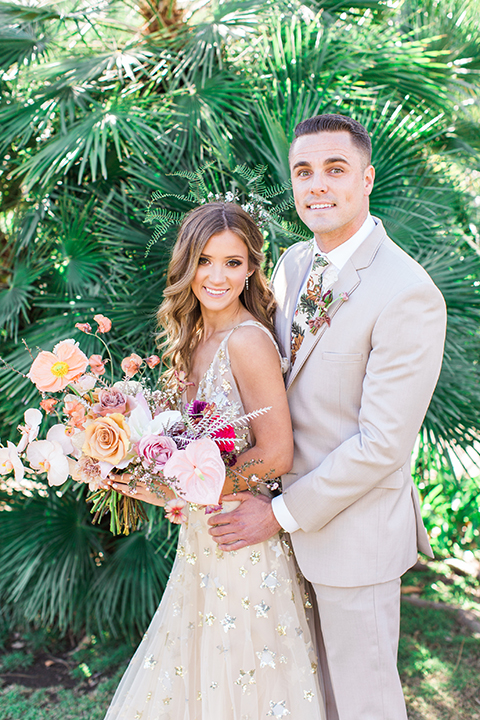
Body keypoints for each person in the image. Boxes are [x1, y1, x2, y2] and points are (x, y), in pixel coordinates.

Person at [208, 114, 447, 720]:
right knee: (305, 698)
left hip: (353, 537)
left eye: (334, 170)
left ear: (366, 179)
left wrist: (279, 515)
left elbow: (382, 444)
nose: (317, 184)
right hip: (277, 532)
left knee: (362, 703)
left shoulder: (406, 292)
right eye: (304, 171)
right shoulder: (290, 265)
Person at [103, 202, 326, 720]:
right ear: (187, 265)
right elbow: (183, 449)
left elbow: (276, 453)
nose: (217, 276)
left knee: (244, 685)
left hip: (242, 542)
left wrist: (189, 488)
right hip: (200, 543)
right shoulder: (191, 338)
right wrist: (135, 468)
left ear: (251, 267)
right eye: (205, 261)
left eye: (232, 262)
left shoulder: (248, 341)